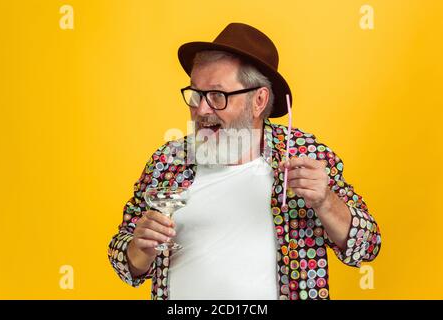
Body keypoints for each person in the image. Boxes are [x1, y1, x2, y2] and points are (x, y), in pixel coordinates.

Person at [107, 22, 381, 300]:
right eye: (196, 94)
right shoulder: (168, 161)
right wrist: (139, 250)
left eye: (217, 95)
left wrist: (325, 201)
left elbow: (366, 246)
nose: (201, 109)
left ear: (258, 100)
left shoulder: (305, 155)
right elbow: (124, 261)